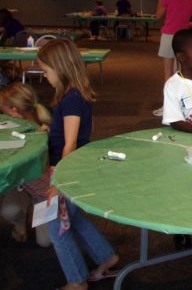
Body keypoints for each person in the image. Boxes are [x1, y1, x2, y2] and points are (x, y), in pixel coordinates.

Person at [38, 39, 119, 290]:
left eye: (46, 71)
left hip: (69, 170)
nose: (44, 76)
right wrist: (51, 129)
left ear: (59, 68)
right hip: (73, 167)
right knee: (75, 219)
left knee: (57, 231)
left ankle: (76, 280)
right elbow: (76, 132)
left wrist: (58, 182)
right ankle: (107, 257)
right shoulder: (72, 95)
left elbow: (71, 144)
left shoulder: (72, 99)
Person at [0, 83, 51, 247]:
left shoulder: (47, 127)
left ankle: (42, 214)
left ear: (14, 110)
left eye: (4, 110)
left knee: (45, 242)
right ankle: (21, 222)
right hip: (22, 185)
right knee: (9, 211)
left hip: (45, 193)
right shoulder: (16, 128)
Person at [153, 0, 192, 116]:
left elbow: (158, 15)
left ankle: (168, 107)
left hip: (169, 36)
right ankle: (182, 106)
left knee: (168, 73)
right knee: (181, 73)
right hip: (184, 38)